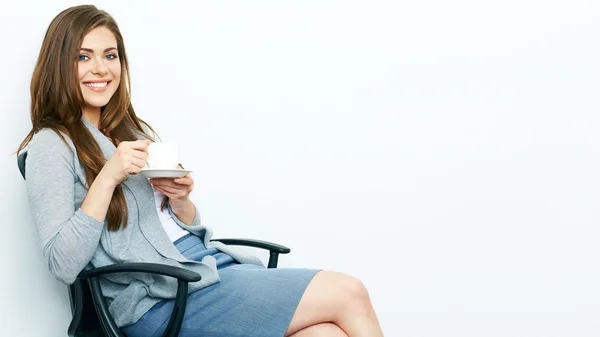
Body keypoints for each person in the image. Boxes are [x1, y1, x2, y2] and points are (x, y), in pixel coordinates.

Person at [17, 5, 384, 337]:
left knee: (325, 334)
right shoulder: (52, 144)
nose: (101, 68)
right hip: (162, 297)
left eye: (110, 55)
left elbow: (168, 229)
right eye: (84, 57)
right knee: (348, 291)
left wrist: (181, 202)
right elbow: (62, 265)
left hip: (203, 266)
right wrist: (108, 178)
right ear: (60, 63)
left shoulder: (132, 131)